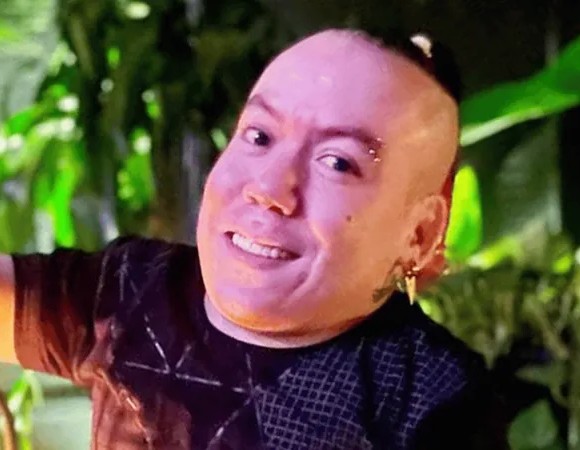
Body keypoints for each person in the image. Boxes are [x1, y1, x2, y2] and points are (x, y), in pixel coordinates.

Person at [0, 28, 507, 449]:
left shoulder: (434, 399)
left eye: (337, 163)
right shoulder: (135, 287)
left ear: (419, 234)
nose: (268, 189)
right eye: (259, 136)